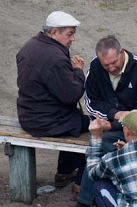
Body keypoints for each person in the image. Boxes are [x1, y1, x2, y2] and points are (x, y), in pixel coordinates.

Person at [60, 36, 137, 207]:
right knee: (105, 148)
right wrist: (114, 115)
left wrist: (112, 123)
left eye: (114, 63)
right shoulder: (96, 67)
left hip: (134, 129)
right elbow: (91, 103)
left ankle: (85, 206)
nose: (111, 68)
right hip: (109, 124)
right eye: (107, 65)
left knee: (102, 146)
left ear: (122, 51)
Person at [16, 11, 89, 190]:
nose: (72, 39)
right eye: (69, 34)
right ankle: (80, 180)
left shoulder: (29, 46)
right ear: (54, 32)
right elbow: (72, 95)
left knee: (76, 117)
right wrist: (78, 71)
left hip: (27, 116)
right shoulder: (55, 57)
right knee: (92, 127)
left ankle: (65, 171)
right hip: (46, 122)